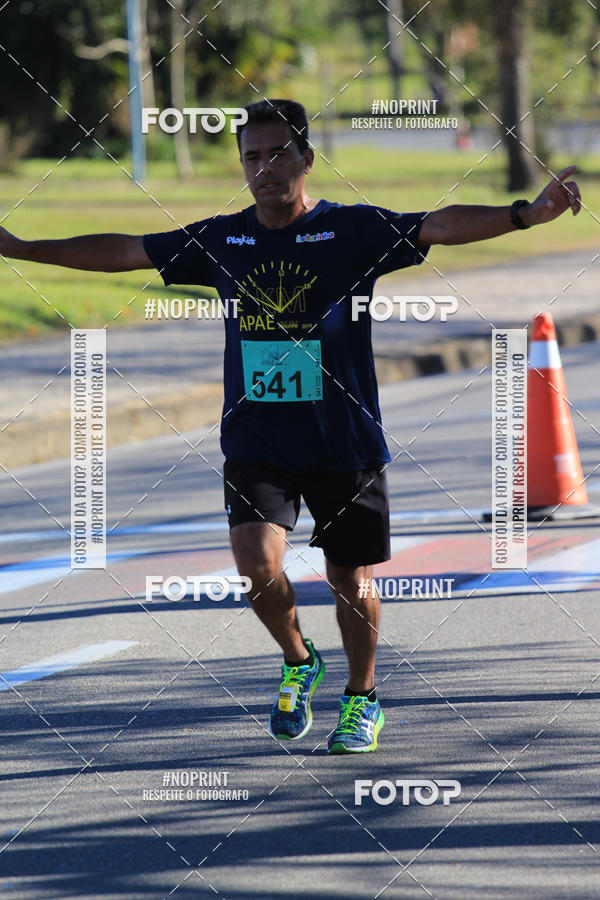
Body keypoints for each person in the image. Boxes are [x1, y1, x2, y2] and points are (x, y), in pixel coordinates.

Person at [0, 98, 581, 754]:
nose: (265, 168)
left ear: (307, 158)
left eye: (279, 154)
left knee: (350, 582)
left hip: (345, 438)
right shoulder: (222, 240)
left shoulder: (351, 232)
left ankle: (362, 698)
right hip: (258, 439)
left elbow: (437, 226)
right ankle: (299, 659)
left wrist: (526, 215)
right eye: (252, 157)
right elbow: (125, 251)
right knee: (255, 563)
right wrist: (21, 248)